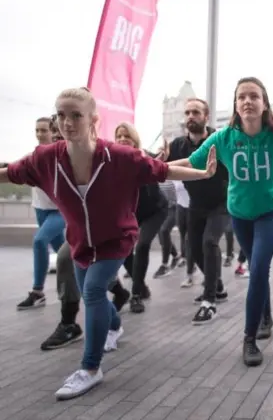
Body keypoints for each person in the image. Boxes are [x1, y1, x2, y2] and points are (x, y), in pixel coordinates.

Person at [0, 87, 216, 400]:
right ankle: (114, 325)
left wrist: (203, 173)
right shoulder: (46, 160)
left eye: (76, 115)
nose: (67, 122)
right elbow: (11, 172)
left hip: (116, 239)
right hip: (80, 243)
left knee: (93, 292)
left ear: (93, 120)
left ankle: (90, 368)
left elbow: (161, 169)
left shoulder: (119, 157)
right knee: (95, 299)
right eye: (61, 115)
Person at [170, 77, 273, 366]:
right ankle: (266, 315)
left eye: (254, 96)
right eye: (241, 96)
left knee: (257, 269)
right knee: (258, 270)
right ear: (235, 105)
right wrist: (155, 169)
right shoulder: (223, 139)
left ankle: (249, 338)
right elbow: (192, 163)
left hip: (272, 210)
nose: (247, 101)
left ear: (264, 103)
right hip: (240, 213)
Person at [160, 98, 229, 323]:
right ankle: (216, 284)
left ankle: (209, 301)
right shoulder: (177, 145)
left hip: (221, 204)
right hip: (195, 205)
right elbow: (159, 167)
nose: (191, 116)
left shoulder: (219, 141)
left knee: (210, 242)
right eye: (187, 112)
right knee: (193, 249)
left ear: (206, 117)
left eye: (196, 112)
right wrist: (159, 159)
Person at [115, 122, 169, 313]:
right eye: (119, 136)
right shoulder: (113, 162)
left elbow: (161, 163)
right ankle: (142, 286)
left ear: (134, 139)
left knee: (143, 244)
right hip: (132, 213)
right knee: (123, 250)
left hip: (155, 210)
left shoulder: (144, 156)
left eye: (126, 136)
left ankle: (136, 295)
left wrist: (163, 158)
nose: (122, 139)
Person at [17, 117, 66, 310]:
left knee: (39, 241)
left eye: (44, 130)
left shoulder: (61, 157)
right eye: (37, 130)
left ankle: (37, 292)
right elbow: (12, 170)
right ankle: (109, 284)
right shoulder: (31, 157)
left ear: (53, 133)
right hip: (40, 211)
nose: (39, 134)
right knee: (67, 254)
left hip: (59, 211)